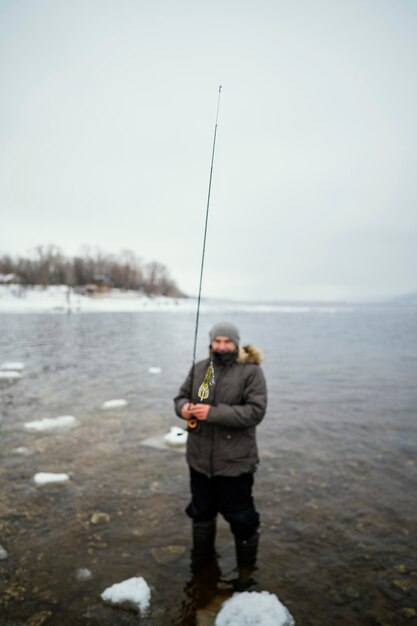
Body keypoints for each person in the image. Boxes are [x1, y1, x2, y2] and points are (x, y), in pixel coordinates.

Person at [174, 321, 267, 586]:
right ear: (211, 342)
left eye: (227, 341)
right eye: (217, 341)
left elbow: (255, 412)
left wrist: (213, 413)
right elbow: (179, 397)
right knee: (202, 512)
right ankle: (202, 565)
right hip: (200, 461)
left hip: (234, 463)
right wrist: (184, 409)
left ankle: (247, 572)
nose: (222, 346)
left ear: (236, 343)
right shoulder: (201, 369)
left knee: (242, 518)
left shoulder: (251, 373)